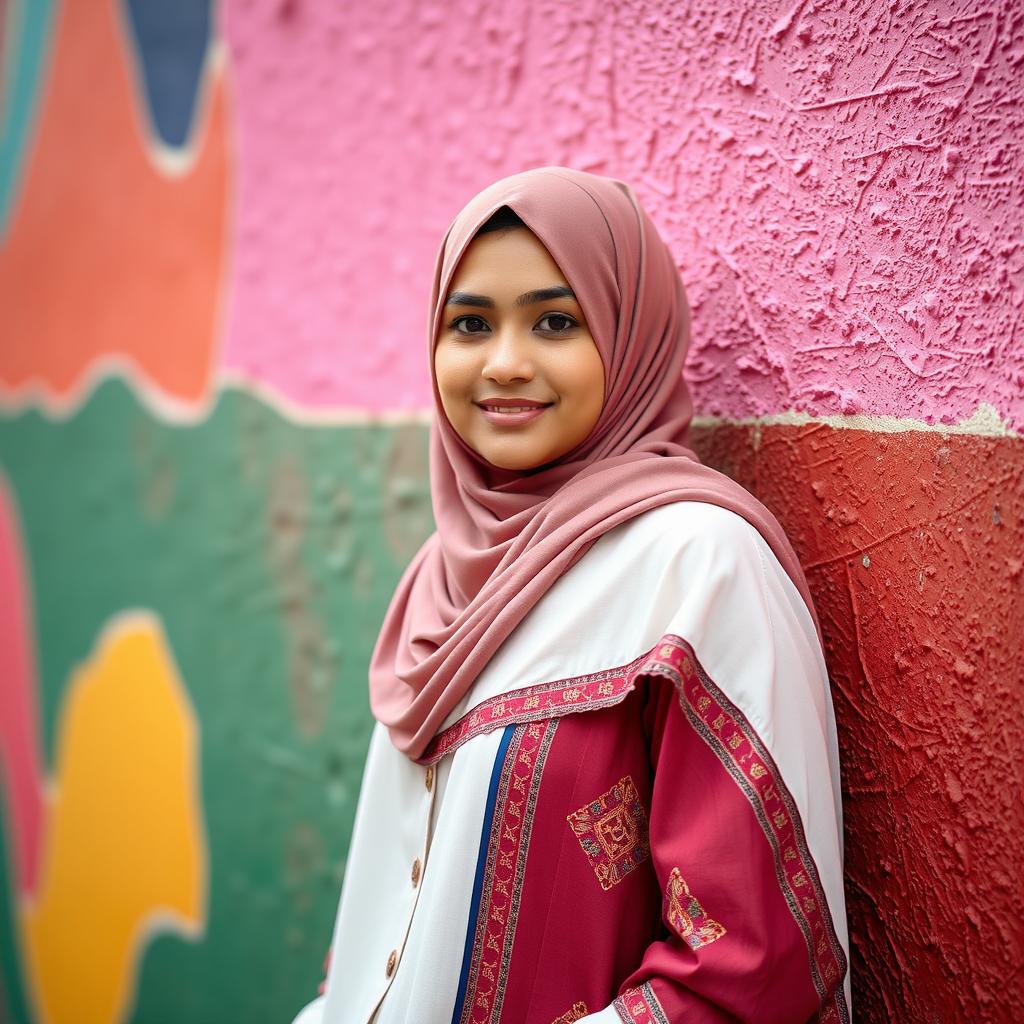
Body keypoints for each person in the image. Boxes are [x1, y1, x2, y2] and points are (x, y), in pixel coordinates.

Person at [291, 167, 850, 1023]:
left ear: (630, 336)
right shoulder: (443, 579)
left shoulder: (698, 567)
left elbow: (748, 972)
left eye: (555, 321)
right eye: (470, 323)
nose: (505, 364)